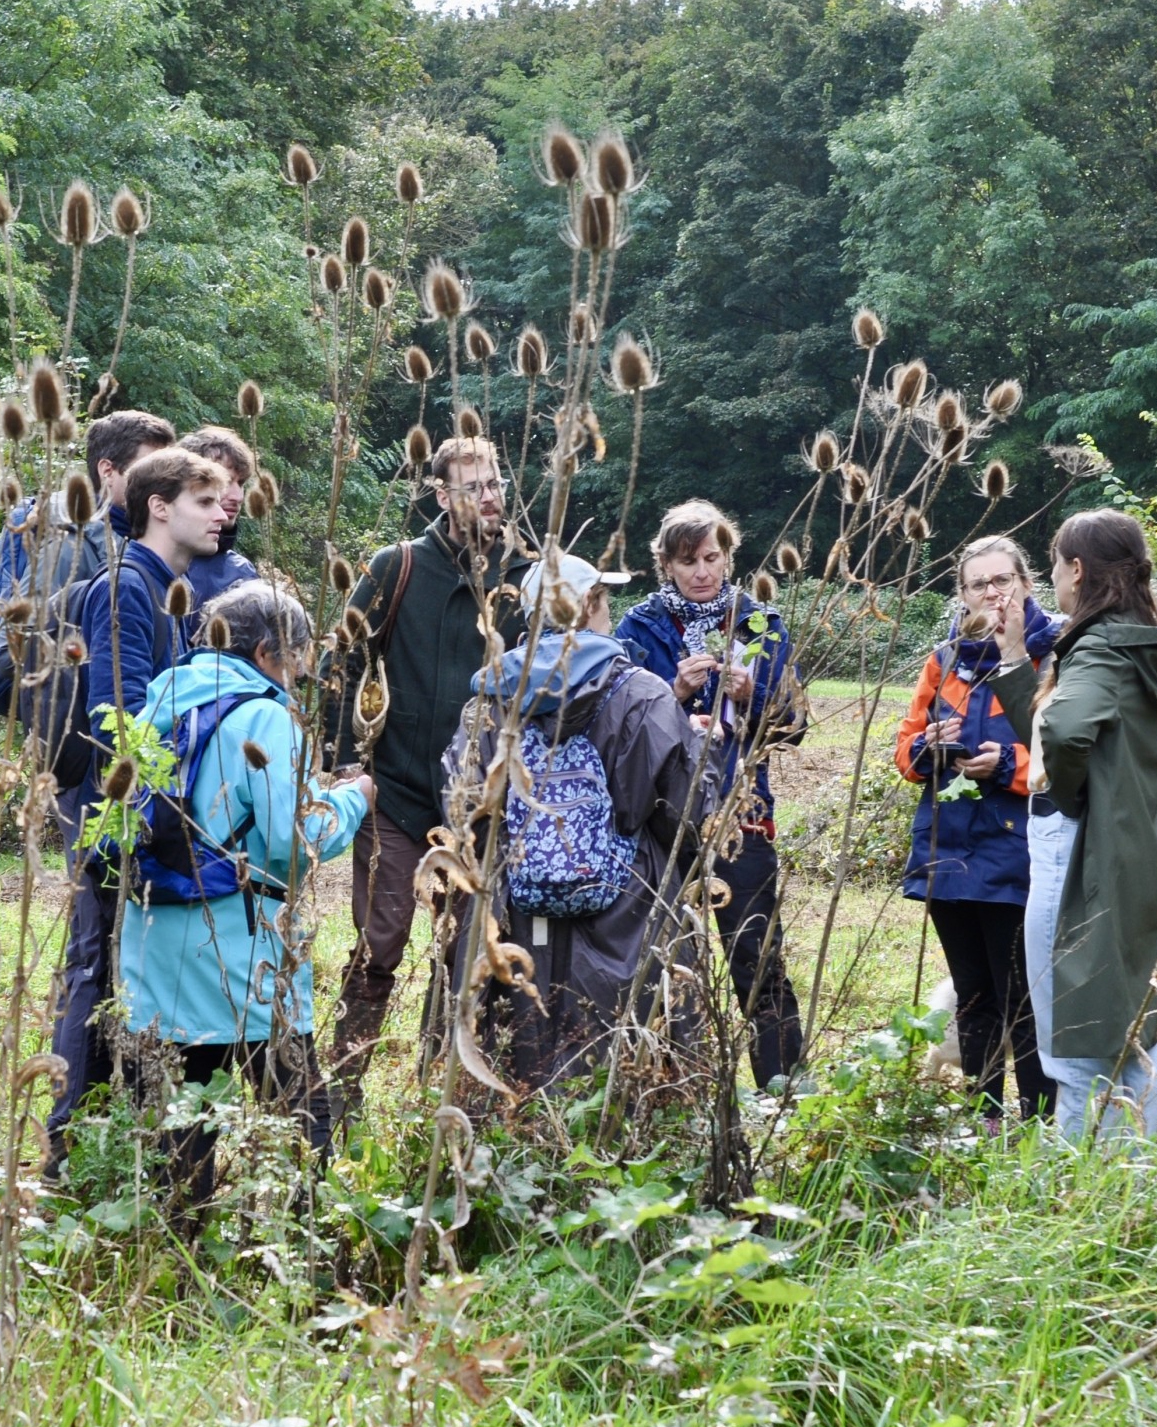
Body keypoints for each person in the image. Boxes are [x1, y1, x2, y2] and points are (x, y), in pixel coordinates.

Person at [113, 581, 373, 1227]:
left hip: (155, 946)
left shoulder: (156, 706)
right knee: (299, 1111)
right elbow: (296, 839)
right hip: (243, 949)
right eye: (302, 658)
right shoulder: (265, 715)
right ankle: (302, 1244)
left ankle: (177, 1260)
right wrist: (354, 797)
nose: (305, 675)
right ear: (267, 652)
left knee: (181, 1121)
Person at [447, 550, 713, 1094]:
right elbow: (685, 814)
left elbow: (461, 805)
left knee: (520, 1051)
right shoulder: (643, 693)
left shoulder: (490, 699)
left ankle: (518, 1146)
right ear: (590, 604)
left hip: (513, 915)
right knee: (620, 1051)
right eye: (604, 598)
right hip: (627, 909)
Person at [326, 436, 526, 1107]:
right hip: (399, 793)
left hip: (481, 805)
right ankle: (336, 1096)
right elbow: (343, 659)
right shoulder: (397, 566)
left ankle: (440, 1102)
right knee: (379, 945)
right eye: (472, 486)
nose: (489, 496)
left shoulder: (523, 575)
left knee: (469, 957)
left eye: (495, 482)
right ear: (441, 496)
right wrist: (348, 761)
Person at [990, 510, 1157, 1141]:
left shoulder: (1101, 645)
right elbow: (1054, 729)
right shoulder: (1131, 643)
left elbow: (1063, 732)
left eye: (1054, 565)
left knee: (1076, 1037)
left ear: (1076, 570)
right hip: (1131, 845)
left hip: (1080, 847)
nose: (1053, 578)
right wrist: (1009, 655)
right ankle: (1131, 1185)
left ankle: (1081, 1192)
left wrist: (1069, 793)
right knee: (1126, 1029)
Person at [46, 446, 227, 1175]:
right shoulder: (125, 586)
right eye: (206, 501)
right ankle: (73, 1153)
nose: (224, 514)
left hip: (154, 826)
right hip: (124, 829)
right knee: (99, 985)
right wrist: (153, 824)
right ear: (159, 505)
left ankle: (130, 1142)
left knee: (134, 992)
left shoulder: (169, 589)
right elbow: (116, 713)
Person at [613, 501, 810, 1088]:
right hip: (660, 822)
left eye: (711, 558)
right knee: (664, 963)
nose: (701, 572)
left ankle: (784, 1092)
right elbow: (617, 726)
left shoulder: (760, 623)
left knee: (757, 959)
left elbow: (796, 724)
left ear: (728, 556)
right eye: (687, 560)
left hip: (740, 813)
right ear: (666, 564)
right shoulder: (639, 627)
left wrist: (751, 694)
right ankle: (674, 1092)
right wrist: (673, 692)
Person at [893, 537, 1059, 1124]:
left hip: (1018, 847)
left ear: (1027, 583)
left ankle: (1040, 1122)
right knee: (973, 994)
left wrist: (1007, 765)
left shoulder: (1054, 652)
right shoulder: (944, 659)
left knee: (1024, 997)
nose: (992, 592)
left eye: (1002, 580)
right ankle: (985, 1116)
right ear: (961, 595)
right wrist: (929, 748)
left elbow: (1062, 751)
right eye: (977, 584)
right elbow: (905, 750)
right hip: (949, 845)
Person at [0, 408, 175, 693]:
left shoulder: (132, 538)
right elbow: (11, 654)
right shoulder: (67, 545)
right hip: (70, 716)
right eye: (151, 469)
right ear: (107, 471)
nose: (165, 483)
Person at [177, 425, 262, 610]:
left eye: (241, 483)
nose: (238, 496)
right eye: (226, 482)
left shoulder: (241, 572)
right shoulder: (147, 561)